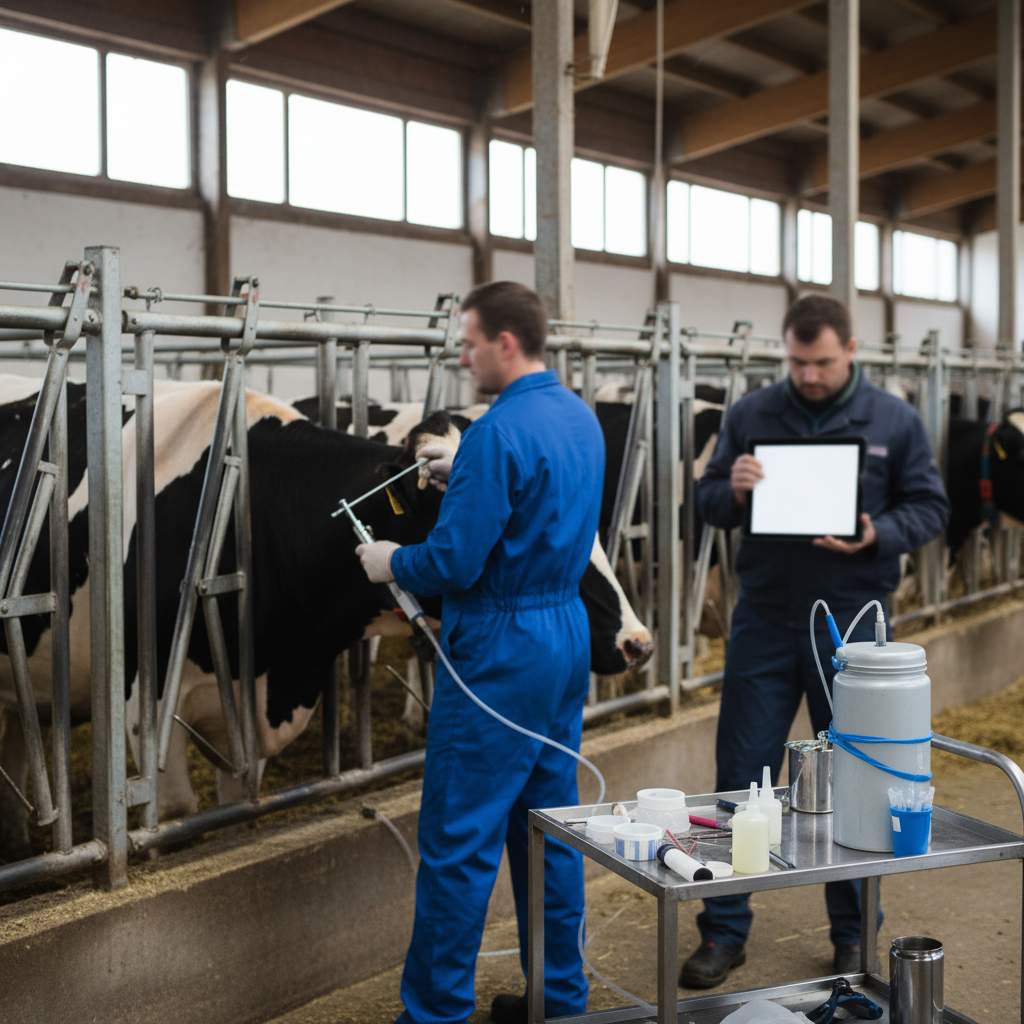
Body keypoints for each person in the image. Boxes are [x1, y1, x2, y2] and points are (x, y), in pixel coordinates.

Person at [682, 294, 950, 989]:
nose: (807, 374)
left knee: (861, 776)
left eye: (822, 362)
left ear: (852, 350)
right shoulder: (751, 415)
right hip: (765, 615)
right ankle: (724, 931)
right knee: (744, 772)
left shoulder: (894, 420)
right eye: (797, 361)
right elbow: (705, 501)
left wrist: (877, 533)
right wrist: (732, 490)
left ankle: (856, 935)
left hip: (856, 625)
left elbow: (931, 506)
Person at [355, 281, 604, 1024]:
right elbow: (536, 496)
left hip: (500, 645)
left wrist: (393, 561)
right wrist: (460, 473)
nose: (462, 357)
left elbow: (456, 563)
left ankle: (433, 1013)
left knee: (460, 839)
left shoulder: (497, 432)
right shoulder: (577, 417)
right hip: (564, 632)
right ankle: (559, 1002)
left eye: (468, 342)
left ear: (505, 341)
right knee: (550, 827)